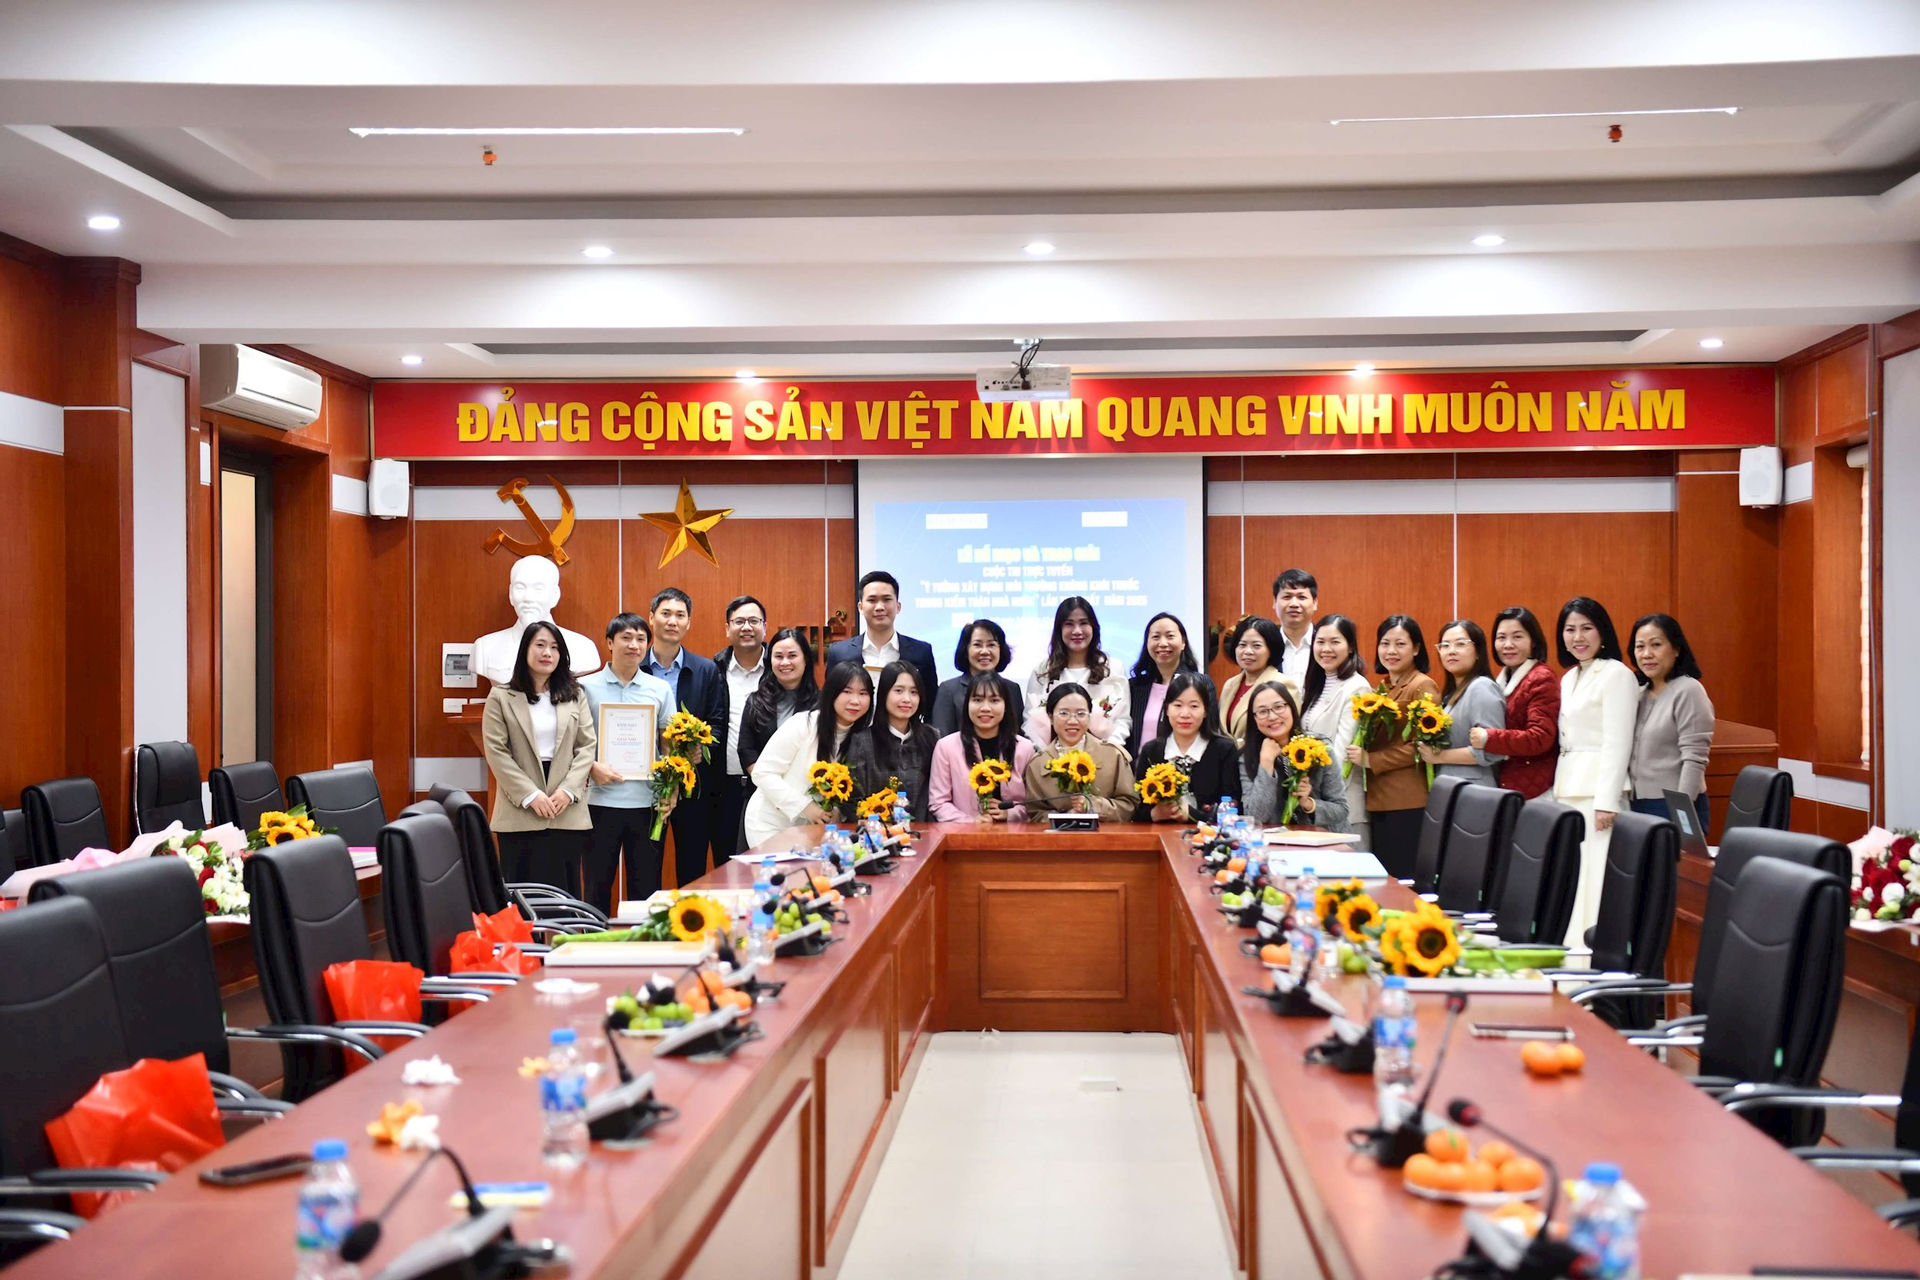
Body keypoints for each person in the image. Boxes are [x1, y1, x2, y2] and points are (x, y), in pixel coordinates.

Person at [480, 621, 596, 895]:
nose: (547, 653)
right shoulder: (501, 696)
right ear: (525, 650)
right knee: (522, 896)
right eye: (540, 645)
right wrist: (530, 795)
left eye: (554, 647)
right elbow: (496, 751)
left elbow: (586, 746)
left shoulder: (575, 694)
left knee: (565, 896)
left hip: (565, 809)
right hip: (519, 811)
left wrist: (568, 791)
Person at [1552, 597, 1640, 944]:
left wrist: (1607, 801)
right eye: (1570, 629)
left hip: (1598, 795)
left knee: (1597, 879)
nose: (1578, 637)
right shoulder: (1569, 677)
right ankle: (1569, 951)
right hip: (1568, 788)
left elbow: (1618, 742)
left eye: (1586, 628)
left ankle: (1592, 955)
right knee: (1574, 877)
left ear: (1602, 632)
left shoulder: (1617, 674)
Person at [578, 612, 678, 911]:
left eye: (641, 639)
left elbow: (669, 742)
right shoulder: (585, 687)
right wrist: (591, 766)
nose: (634, 645)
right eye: (626, 637)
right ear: (609, 642)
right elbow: (572, 741)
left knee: (645, 889)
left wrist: (672, 787)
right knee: (596, 885)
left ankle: (642, 940)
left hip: (647, 803)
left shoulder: (659, 689)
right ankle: (593, 940)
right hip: (598, 802)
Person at [644, 588, 727, 888]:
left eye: (680, 615)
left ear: (688, 623)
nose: (672, 621)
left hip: (694, 786)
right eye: (665, 613)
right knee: (646, 865)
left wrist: (701, 746)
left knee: (692, 867)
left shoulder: (706, 669)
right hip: (646, 784)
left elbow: (718, 723)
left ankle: (688, 917)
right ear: (651, 618)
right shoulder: (635, 667)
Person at [1345, 614, 1439, 878]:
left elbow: (1422, 746)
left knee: (1402, 878)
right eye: (1385, 644)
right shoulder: (1383, 687)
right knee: (1384, 877)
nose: (1391, 651)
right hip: (1379, 799)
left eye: (1400, 644)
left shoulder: (1422, 684)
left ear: (1416, 648)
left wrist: (1371, 760)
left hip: (1406, 799)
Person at [744, 661, 874, 846]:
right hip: (769, 823)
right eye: (847, 692)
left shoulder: (861, 739)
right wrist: (805, 807)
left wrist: (837, 811)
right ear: (831, 693)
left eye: (863, 693)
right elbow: (762, 773)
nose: (855, 701)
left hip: (812, 830)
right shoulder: (803, 724)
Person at [1627, 612, 1715, 831]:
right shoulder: (1639, 692)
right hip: (1636, 803)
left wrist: (1682, 814)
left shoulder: (1689, 690)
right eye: (1640, 647)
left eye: (1656, 645)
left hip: (1674, 804)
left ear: (1676, 649)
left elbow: (1694, 759)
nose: (1647, 654)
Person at [735, 628, 818, 846]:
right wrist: (773, 788)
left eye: (792, 655)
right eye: (778, 656)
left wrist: (792, 796)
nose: (785, 662)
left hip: (808, 804)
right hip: (763, 801)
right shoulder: (755, 702)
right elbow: (746, 751)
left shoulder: (820, 705)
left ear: (805, 659)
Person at [469, 554, 602, 685]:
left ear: (555, 595)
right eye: (520, 587)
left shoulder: (583, 648)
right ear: (511, 594)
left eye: (538, 588)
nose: (528, 598)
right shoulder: (485, 647)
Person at [1299, 614, 1372, 850]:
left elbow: (1342, 752)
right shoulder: (1315, 685)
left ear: (1350, 647)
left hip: (1343, 804)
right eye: (1320, 642)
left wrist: (1315, 796)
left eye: (1335, 642)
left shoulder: (1358, 687)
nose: (1326, 649)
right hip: (1315, 802)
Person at [1473, 607, 1560, 799]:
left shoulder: (1541, 677)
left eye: (1517, 637)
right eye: (1501, 637)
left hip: (1534, 790)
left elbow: (1540, 737)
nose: (1508, 645)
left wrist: (1489, 738)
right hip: (1508, 785)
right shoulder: (1500, 680)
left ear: (1533, 641)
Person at [1240, 682, 1349, 833]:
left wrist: (1308, 803)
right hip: (1274, 842)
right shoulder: (1246, 757)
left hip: (1322, 839)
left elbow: (1341, 809)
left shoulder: (1318, 747)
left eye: (1279, 707)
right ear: (1254, 718)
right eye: (1263, 711)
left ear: (1291, 708)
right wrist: (1266, 764)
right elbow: (1256, 816)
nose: (1272, 716)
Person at [928, 670, 1036, 822]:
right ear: (967, 704)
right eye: (977, 700)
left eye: (994, 700)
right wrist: (970, 821)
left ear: (1006, 705)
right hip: (962, 833)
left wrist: (1010, 814)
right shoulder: (946, 747)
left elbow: (1033, 803)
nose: (985, 708)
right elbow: (938, 803)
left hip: (1012, 833)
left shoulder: (1024, 748)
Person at [1023, 597, 1131, 749]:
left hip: (1103, 756)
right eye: (1069, 624)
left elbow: (1123, 720)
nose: (1077, 631)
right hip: (1053, 758)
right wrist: (1049, 753)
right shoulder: (1043, 670)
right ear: (1059, 629)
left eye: (1083, 623)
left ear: (1093, 627)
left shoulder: (1112, 668)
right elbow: (1029, 720)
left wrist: (1107, 751)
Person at [1133, 672, 1239, 823]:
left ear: (1205, 711)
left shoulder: (1224, 749)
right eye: (1177, 705)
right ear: (1166, 709)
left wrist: (1193, 815)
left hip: (1208, 835)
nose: (1185, 714)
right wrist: (1154, 814)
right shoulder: (1151, 751)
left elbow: (1232, 809)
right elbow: (1137, 809)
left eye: (1194, 706)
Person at [1023, 684, 1138, 821]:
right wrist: (1064, 818)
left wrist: (1094, 805)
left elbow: (1130, 805)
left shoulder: (1113, 755)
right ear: (1051, 717)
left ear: (1090, 716)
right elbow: (1034, 812)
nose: (1072, 721)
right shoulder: (1037, 764)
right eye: (1064, 713)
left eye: (1081, 714)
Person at [711, 594, 767, 860]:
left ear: (765, 627)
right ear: (727, 628)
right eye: (739, 621)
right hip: (724, 785)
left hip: (768, 786)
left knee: (769, 859)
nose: (747, 627)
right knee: (726, 862)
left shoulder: (780, 668)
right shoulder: (713, 669)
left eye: (754, 621)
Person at [1417, 619, 1507, 785]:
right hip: (1451, 786)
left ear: (1478, 652)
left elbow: (1493, 750)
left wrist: (1439, 756)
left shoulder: (1482, 687)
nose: (1451, 651)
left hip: (1475, 789)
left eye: (1460, 644)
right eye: (1445, 645)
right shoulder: (1452, 694)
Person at [824, 571, 939, 698]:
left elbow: (931, 701)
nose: (879, 607)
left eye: (886, 599)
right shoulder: (839, 653)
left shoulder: (921, 652)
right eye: (872, 600)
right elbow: (830, 699)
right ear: (860, 607)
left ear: (898, 606)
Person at [849, 661, 939, 821]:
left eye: (914, 692)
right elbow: (854, 800)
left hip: (925, 830)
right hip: (878, 831)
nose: (907, 699)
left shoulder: (932, 737)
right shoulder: (862, 741)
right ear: (884, 694)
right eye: (898, 691)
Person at [1126, 612, 1210, 759]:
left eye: (1170, 636)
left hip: (1184, 768)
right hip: (1140, 769)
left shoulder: (1201, 683)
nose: (1163, 643)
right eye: (1156, 637)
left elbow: (1210, 731)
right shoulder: (1136, 686)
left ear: (1183, 642)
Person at [930, 618, 1025, 737]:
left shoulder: (1012, 689)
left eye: (991, 645)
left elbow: (1017, 735)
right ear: (966, 650)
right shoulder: (949, 689)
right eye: (977, 645)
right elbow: (942, 735)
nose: (985, 651)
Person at [1216, 616, 1296, 745]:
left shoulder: (1283, 684)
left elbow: (1289, 734)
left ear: (1271, 649)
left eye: (1256, 646)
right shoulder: (1230, 684)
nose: (1248, 651)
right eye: (1242, 645)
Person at [1270, 568, 1319, 687]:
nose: (1294, 604)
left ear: (1315, 603)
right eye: (1287, 597)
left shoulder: (1328, 643)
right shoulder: (1265, 644)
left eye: (1301, 597)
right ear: (1274, 602)